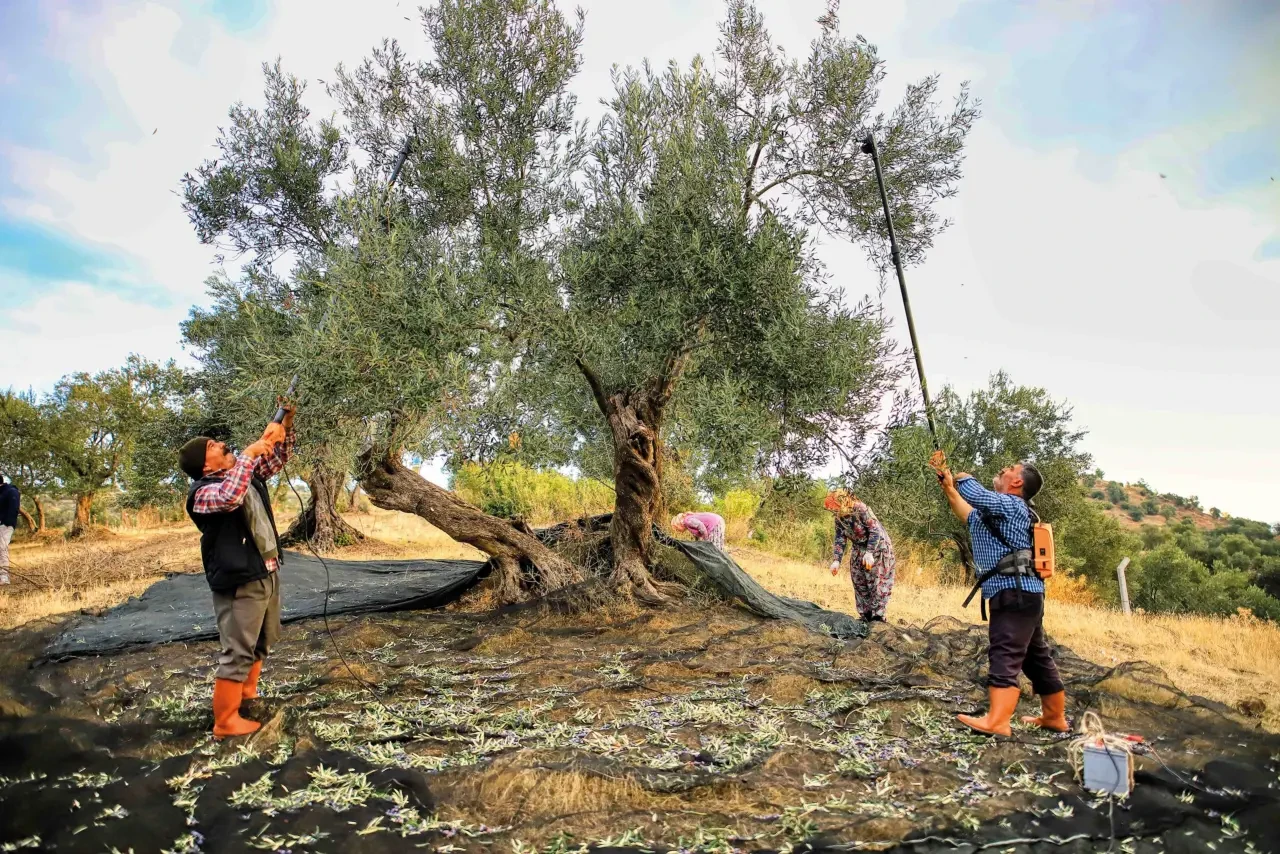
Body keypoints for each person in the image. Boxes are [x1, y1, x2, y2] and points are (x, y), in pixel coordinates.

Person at [178, 402, 295, 738]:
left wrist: (284, 423)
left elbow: (276, 459)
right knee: (238, 649)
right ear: (204, 463)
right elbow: (229, 498)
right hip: (238, 580)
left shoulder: (242, 474)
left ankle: (247, 695)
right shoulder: (202, 493)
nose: (220, 444)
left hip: (265, 571)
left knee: (263, 640)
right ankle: (225, 721)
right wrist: (248, 452)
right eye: (213, 446)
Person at [930, 451, 1067, 737]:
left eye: (1009, 468)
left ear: (1017, 481)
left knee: (1004, 651)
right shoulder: (998, 514)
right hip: (1023, 595)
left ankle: (998, 722)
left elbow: (978, 496)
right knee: (1035, 657)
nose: (1003, 469)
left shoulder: (1013, 506)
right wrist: (949, 487)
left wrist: (962, 477)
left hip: (1014, 593)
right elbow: (967, 512)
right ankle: (1054, 717)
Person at [824, 489, 896, 622]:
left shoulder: (860, 508)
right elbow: (840, 538)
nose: (833, 512)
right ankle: (865, 616)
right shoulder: (839, 518)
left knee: (877, 583)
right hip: (858, 549)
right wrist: (836, 560)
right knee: (859, 581)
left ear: (842, 503)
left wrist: (869, 552)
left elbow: (875, 530)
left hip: (877, 547)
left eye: (834, 508)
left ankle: (878, 617)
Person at [0, 475, 19, 586]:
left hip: (5, 525)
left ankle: (4, 577)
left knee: (2, 548)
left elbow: (14, 509)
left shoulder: (11, 491)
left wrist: (6, 522)